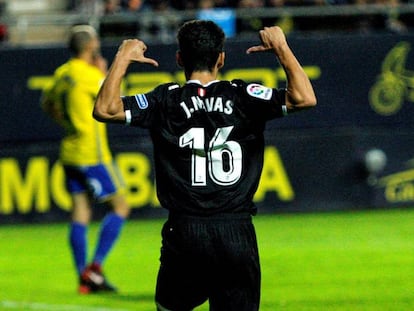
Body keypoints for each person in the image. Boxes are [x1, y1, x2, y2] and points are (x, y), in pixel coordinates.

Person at [93, 20, 316, 310]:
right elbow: (304, 98)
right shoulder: (244, 96)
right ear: (221, 58)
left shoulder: (165, 99)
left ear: (179, 58)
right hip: (235, 231)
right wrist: (282, 49)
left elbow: (104, 109)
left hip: (185, 232)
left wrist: (122, 58)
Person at [41, 24, 130, 294]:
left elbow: (47, 103)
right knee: (121, 207)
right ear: (91, 47)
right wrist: (106, 73)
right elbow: (115, 100)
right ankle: (96, 268)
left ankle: (83, 275)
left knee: (80, 211)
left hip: (69, 151)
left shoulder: (63, 73)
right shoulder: (90, 75)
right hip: (92, 153)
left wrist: (69, 125)